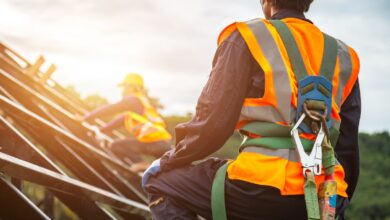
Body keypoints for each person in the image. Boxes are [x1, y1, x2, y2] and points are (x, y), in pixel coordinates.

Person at [142, 0, 361, 219]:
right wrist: (335, 204)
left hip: (260, 188)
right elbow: (348, 150)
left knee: (159, 182)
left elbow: (212, 126)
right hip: (328, 197)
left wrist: (170, 160)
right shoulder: (345, 56)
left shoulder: (247, 37)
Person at [83, 73, 172, 172]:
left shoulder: (133, 99)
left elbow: (111, 108)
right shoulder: (142, 102)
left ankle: (140, 163)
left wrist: (86, 118)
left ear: (131, 86)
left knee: (116, 146)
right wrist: (103, 130)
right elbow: (121, 120)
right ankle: (139, 167)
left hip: (153, 143)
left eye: (124, 87)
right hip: (163, 145)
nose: (123, 90)